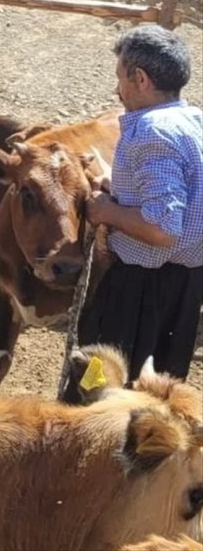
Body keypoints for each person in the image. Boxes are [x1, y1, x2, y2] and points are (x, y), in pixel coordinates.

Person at [79, 24, 203, 381]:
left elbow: (162, 228)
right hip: (185, 288)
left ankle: (92, 435)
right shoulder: (192, 121)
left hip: (138, 290)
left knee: (98, 382)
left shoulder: (152, 131)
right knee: (158, 389)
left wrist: (108, 211)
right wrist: (121, 192)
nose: (117, 89)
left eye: (120, 78)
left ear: (141, 79)